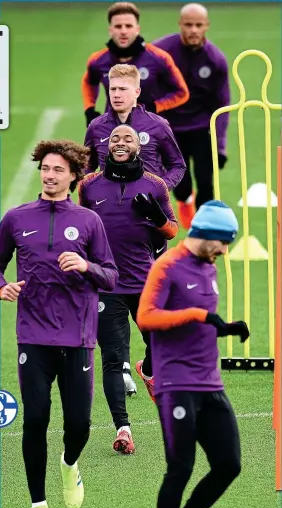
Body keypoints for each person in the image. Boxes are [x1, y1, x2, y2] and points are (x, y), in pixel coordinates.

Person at [0, 140, 118, 508]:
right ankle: (38, 505)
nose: (49, 176)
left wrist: (86, 265)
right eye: (45, 169)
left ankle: (70, 465)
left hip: (78, 336)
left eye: (58, 171)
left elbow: (111, 275)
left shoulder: (88, 221)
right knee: (34, 419)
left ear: (73, 176)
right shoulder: (16, 218)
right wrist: (2, 285)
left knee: (79, 424)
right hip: (32, 335)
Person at [137, 201, 249, 508]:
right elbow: (147, 317)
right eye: (222, 243)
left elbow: (202, 320)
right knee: (180, 468)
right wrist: (199, 315)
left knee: (228, 465)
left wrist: (225, 326)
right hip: (175, 383)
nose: (224, 251)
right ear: (206, 236)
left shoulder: (208, 267)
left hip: (209, 382)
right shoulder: (166, 266)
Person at [84, 63, 186, 394]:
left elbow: (178, 165)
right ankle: (121, 367)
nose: (115, 95)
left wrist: (158, 197)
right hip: (110, 223)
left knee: (158, 323)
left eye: (122, 89)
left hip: (150, 226)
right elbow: (87, 169)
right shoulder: (98, 126)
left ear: (136, 91)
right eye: (111, 89)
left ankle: (147, 365)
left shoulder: (156, 125)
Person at [78, 124, 178, 455]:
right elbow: (80, 228)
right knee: (112, 357)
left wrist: (155, 215)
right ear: (107, 145)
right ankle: (123, 428)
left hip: (146, 285)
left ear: (138, 147)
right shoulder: (90, 187)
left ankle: (148, 371)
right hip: (107, 286)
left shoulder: (155, 184)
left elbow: (172, 230)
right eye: (115, 138)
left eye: (128, 139)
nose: (120, 142)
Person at [153, 3, 230, 229]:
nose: (193, 29)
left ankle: (204, 230)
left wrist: (221, 145)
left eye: (198, 25)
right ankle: (185, 200)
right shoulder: (162, 51)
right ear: (180, 25)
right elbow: (144, 72)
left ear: (206, 26)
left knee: (206, 183)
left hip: (202, 127)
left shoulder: (216, 60)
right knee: (181, 182)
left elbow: (222, 103)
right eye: (188, 24)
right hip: (171, 128)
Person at [82, 1, 189, 126]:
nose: (123, 31)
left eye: (128, 26)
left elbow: (182, 93)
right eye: (118, 26)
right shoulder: (97, 60)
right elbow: (88, 82)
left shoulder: (159, 58)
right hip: (113, 129)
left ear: (137, 29)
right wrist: (89, 109)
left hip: (151, 129)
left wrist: (155, 106)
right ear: (110, 30)